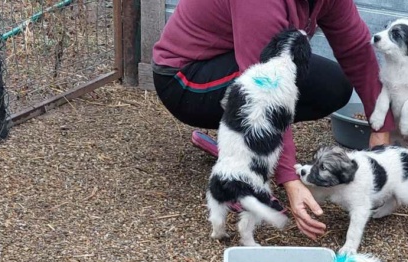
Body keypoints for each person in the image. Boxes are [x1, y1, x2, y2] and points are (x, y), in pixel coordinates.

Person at [152, 0, 394, 241]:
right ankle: (239, 167)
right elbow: (267, 90)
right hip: (186, 77)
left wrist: (381, 124)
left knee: (333, 86)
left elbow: (356, 51)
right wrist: (289, 177)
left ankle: (240, 147)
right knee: (268, 87)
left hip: (233, 58)